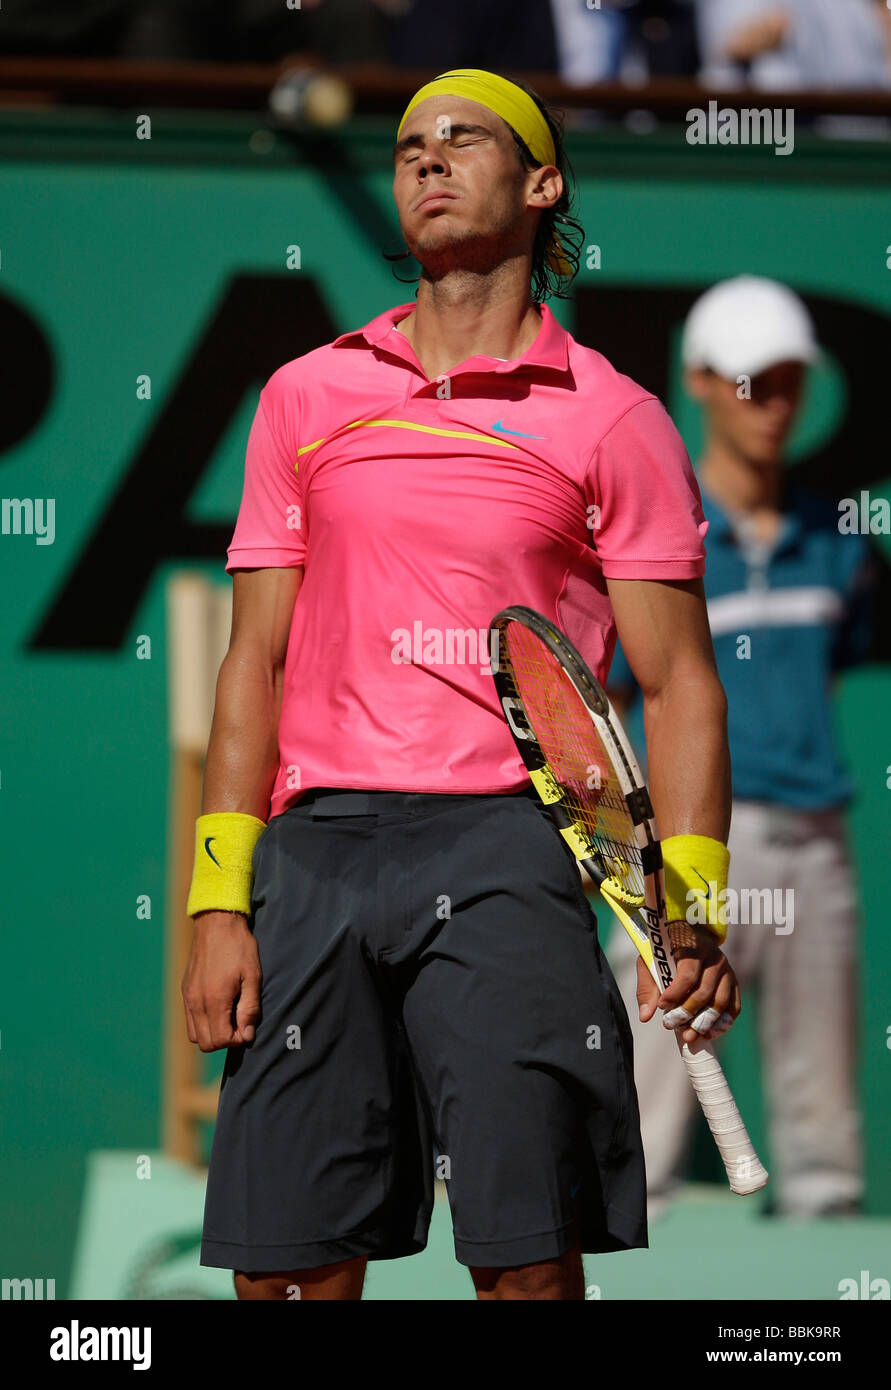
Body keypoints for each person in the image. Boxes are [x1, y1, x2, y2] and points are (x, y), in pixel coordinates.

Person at [183, 67, 739, 1302]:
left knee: (527, 1266)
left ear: (543, 186)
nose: (427, 160)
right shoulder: (305, 395)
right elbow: (252, 660)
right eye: (408, 146)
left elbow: (682, 686)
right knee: (285, 1277)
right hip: (314, 850)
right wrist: (219, 899)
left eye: (464, 140)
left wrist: (685, 899)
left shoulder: (615, 420)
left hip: (510, 852)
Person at [607, 276, 872, 1220]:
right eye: (753, 382)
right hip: (683, 860)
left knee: (821, 1130)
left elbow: (827, 672)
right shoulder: (657, 536)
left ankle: (819, 1294)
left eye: (790, 381)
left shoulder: (838, 541)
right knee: (637, 1132)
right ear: (703, 384)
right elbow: (615, 699)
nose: (775, 406)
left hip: (815, 844)